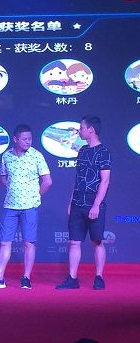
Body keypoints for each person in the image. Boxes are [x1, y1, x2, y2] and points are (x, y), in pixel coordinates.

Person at [0, 124, 52, 289]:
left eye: (30, 139)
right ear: (15, 139)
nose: (28, 142)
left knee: (29, 243)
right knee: (5, 242)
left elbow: (47, 181)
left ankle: (26, 278)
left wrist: (36, 195)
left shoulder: (36, 156)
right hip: (10, 206)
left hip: (30, 206)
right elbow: (3, 178)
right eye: (24, 139)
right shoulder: (6, 156)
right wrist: (13, 189)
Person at [56, 115, 112, 290]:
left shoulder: (103, 152)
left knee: (97, 242)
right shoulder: (82, 150)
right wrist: (71, 201)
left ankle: (99, 277)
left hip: (94, 204)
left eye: (81, 127)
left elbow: (105, 181)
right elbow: (78, 178)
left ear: (91, 130)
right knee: (74, 242)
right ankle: (72, 278)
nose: (79, 130)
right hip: (77, 203)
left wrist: (96, 205)